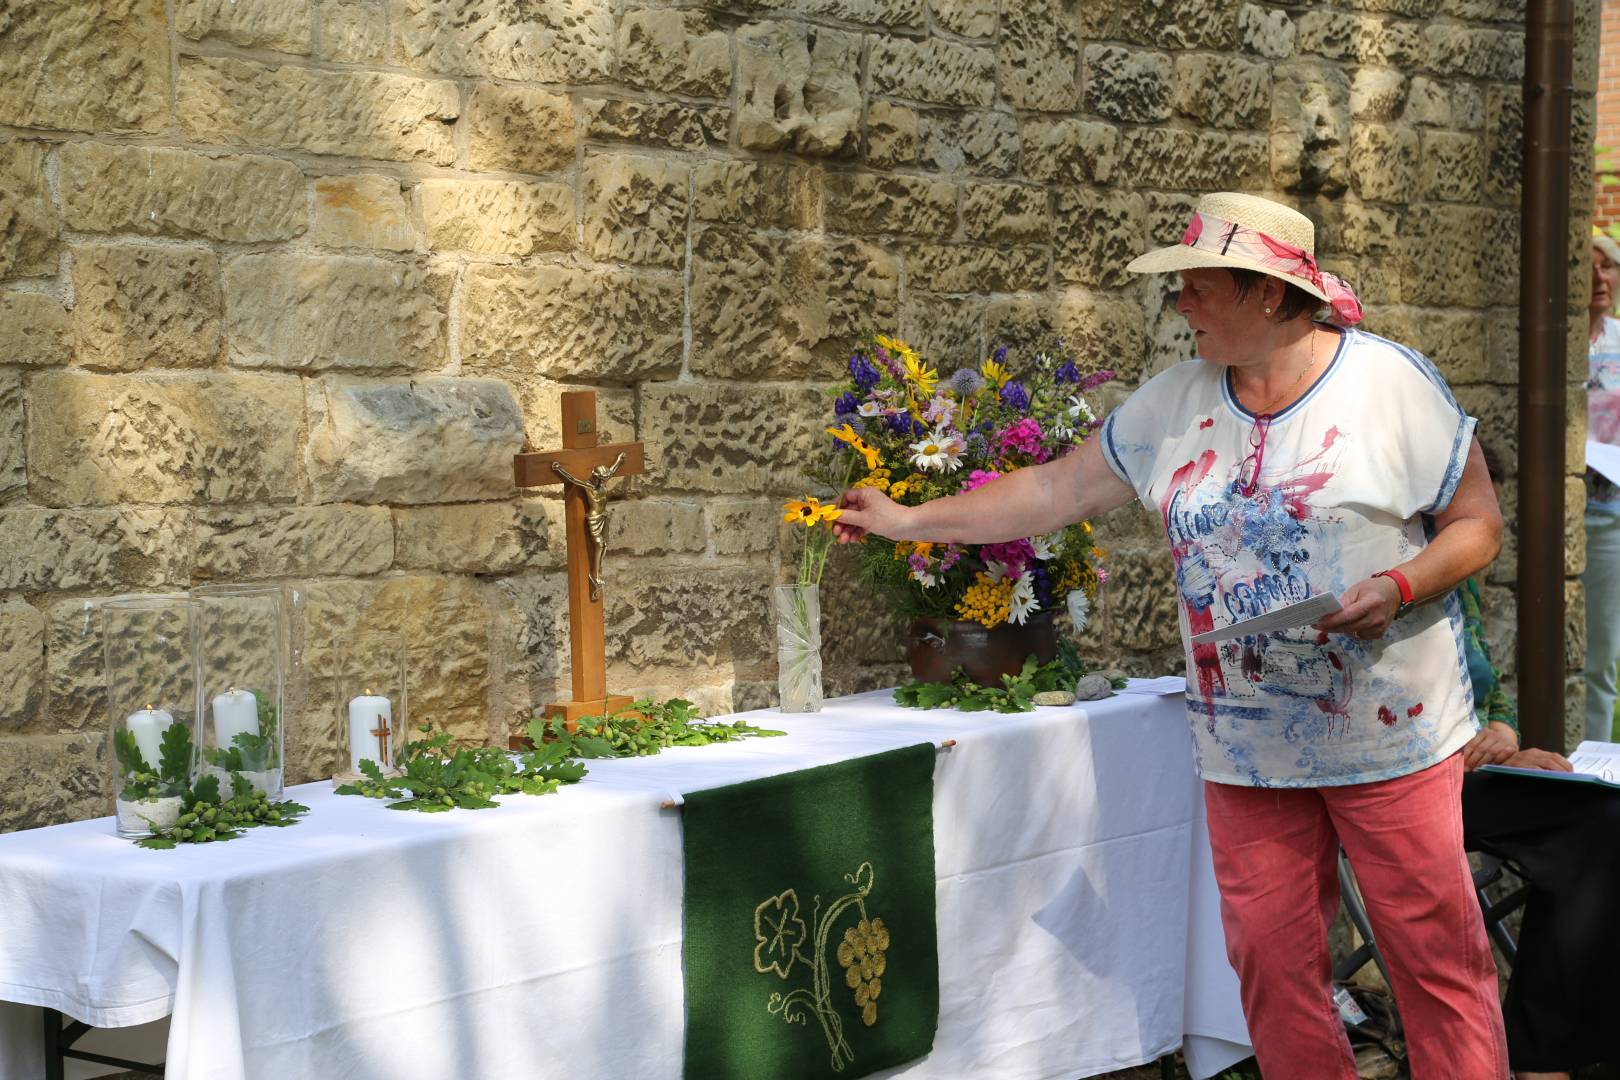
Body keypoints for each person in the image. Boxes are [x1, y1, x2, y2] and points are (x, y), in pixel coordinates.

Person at [834, 192, 1508, 1078]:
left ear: (1266, 295)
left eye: (1195, 287)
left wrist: (1398, 583)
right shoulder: (1173, 404)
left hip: (1391, 734)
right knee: (1270, 969)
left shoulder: (1390, 385)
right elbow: (1055, 492)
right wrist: (910, 519)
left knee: (1437, 966)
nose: (1179, 304)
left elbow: (1478, 523)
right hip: (1244, 744)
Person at [1583, 229, 1620, 743]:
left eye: (1607, 266)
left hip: (1611, 516)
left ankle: (1594, 758)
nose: (1599, 278)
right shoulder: (1550, 340)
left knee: (1602, 653)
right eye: (1586, 267)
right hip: (1560, 514)